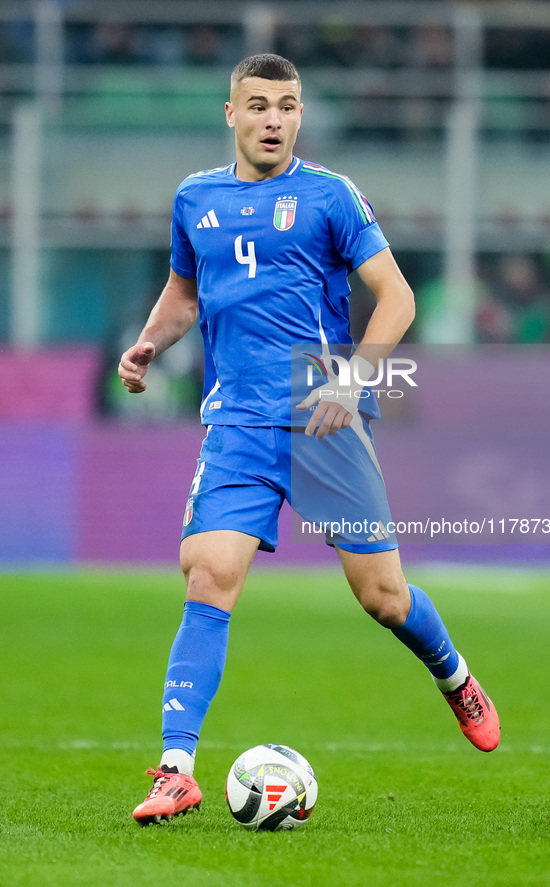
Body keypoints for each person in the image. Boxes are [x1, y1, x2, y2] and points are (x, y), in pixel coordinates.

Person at [118, 53, 500, 827]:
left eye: (286, 107)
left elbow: (396, 297)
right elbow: (185, 294)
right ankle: (176, 767)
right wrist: (149, 344)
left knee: (383, 598)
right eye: (257, 105)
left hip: (324, 418)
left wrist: (352, 379)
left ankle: (453, 673)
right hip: (236, 421)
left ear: (299, 116)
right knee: (207, 573)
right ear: (230, 114)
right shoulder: (196, 198)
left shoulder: (330, 195)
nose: (272, 119)